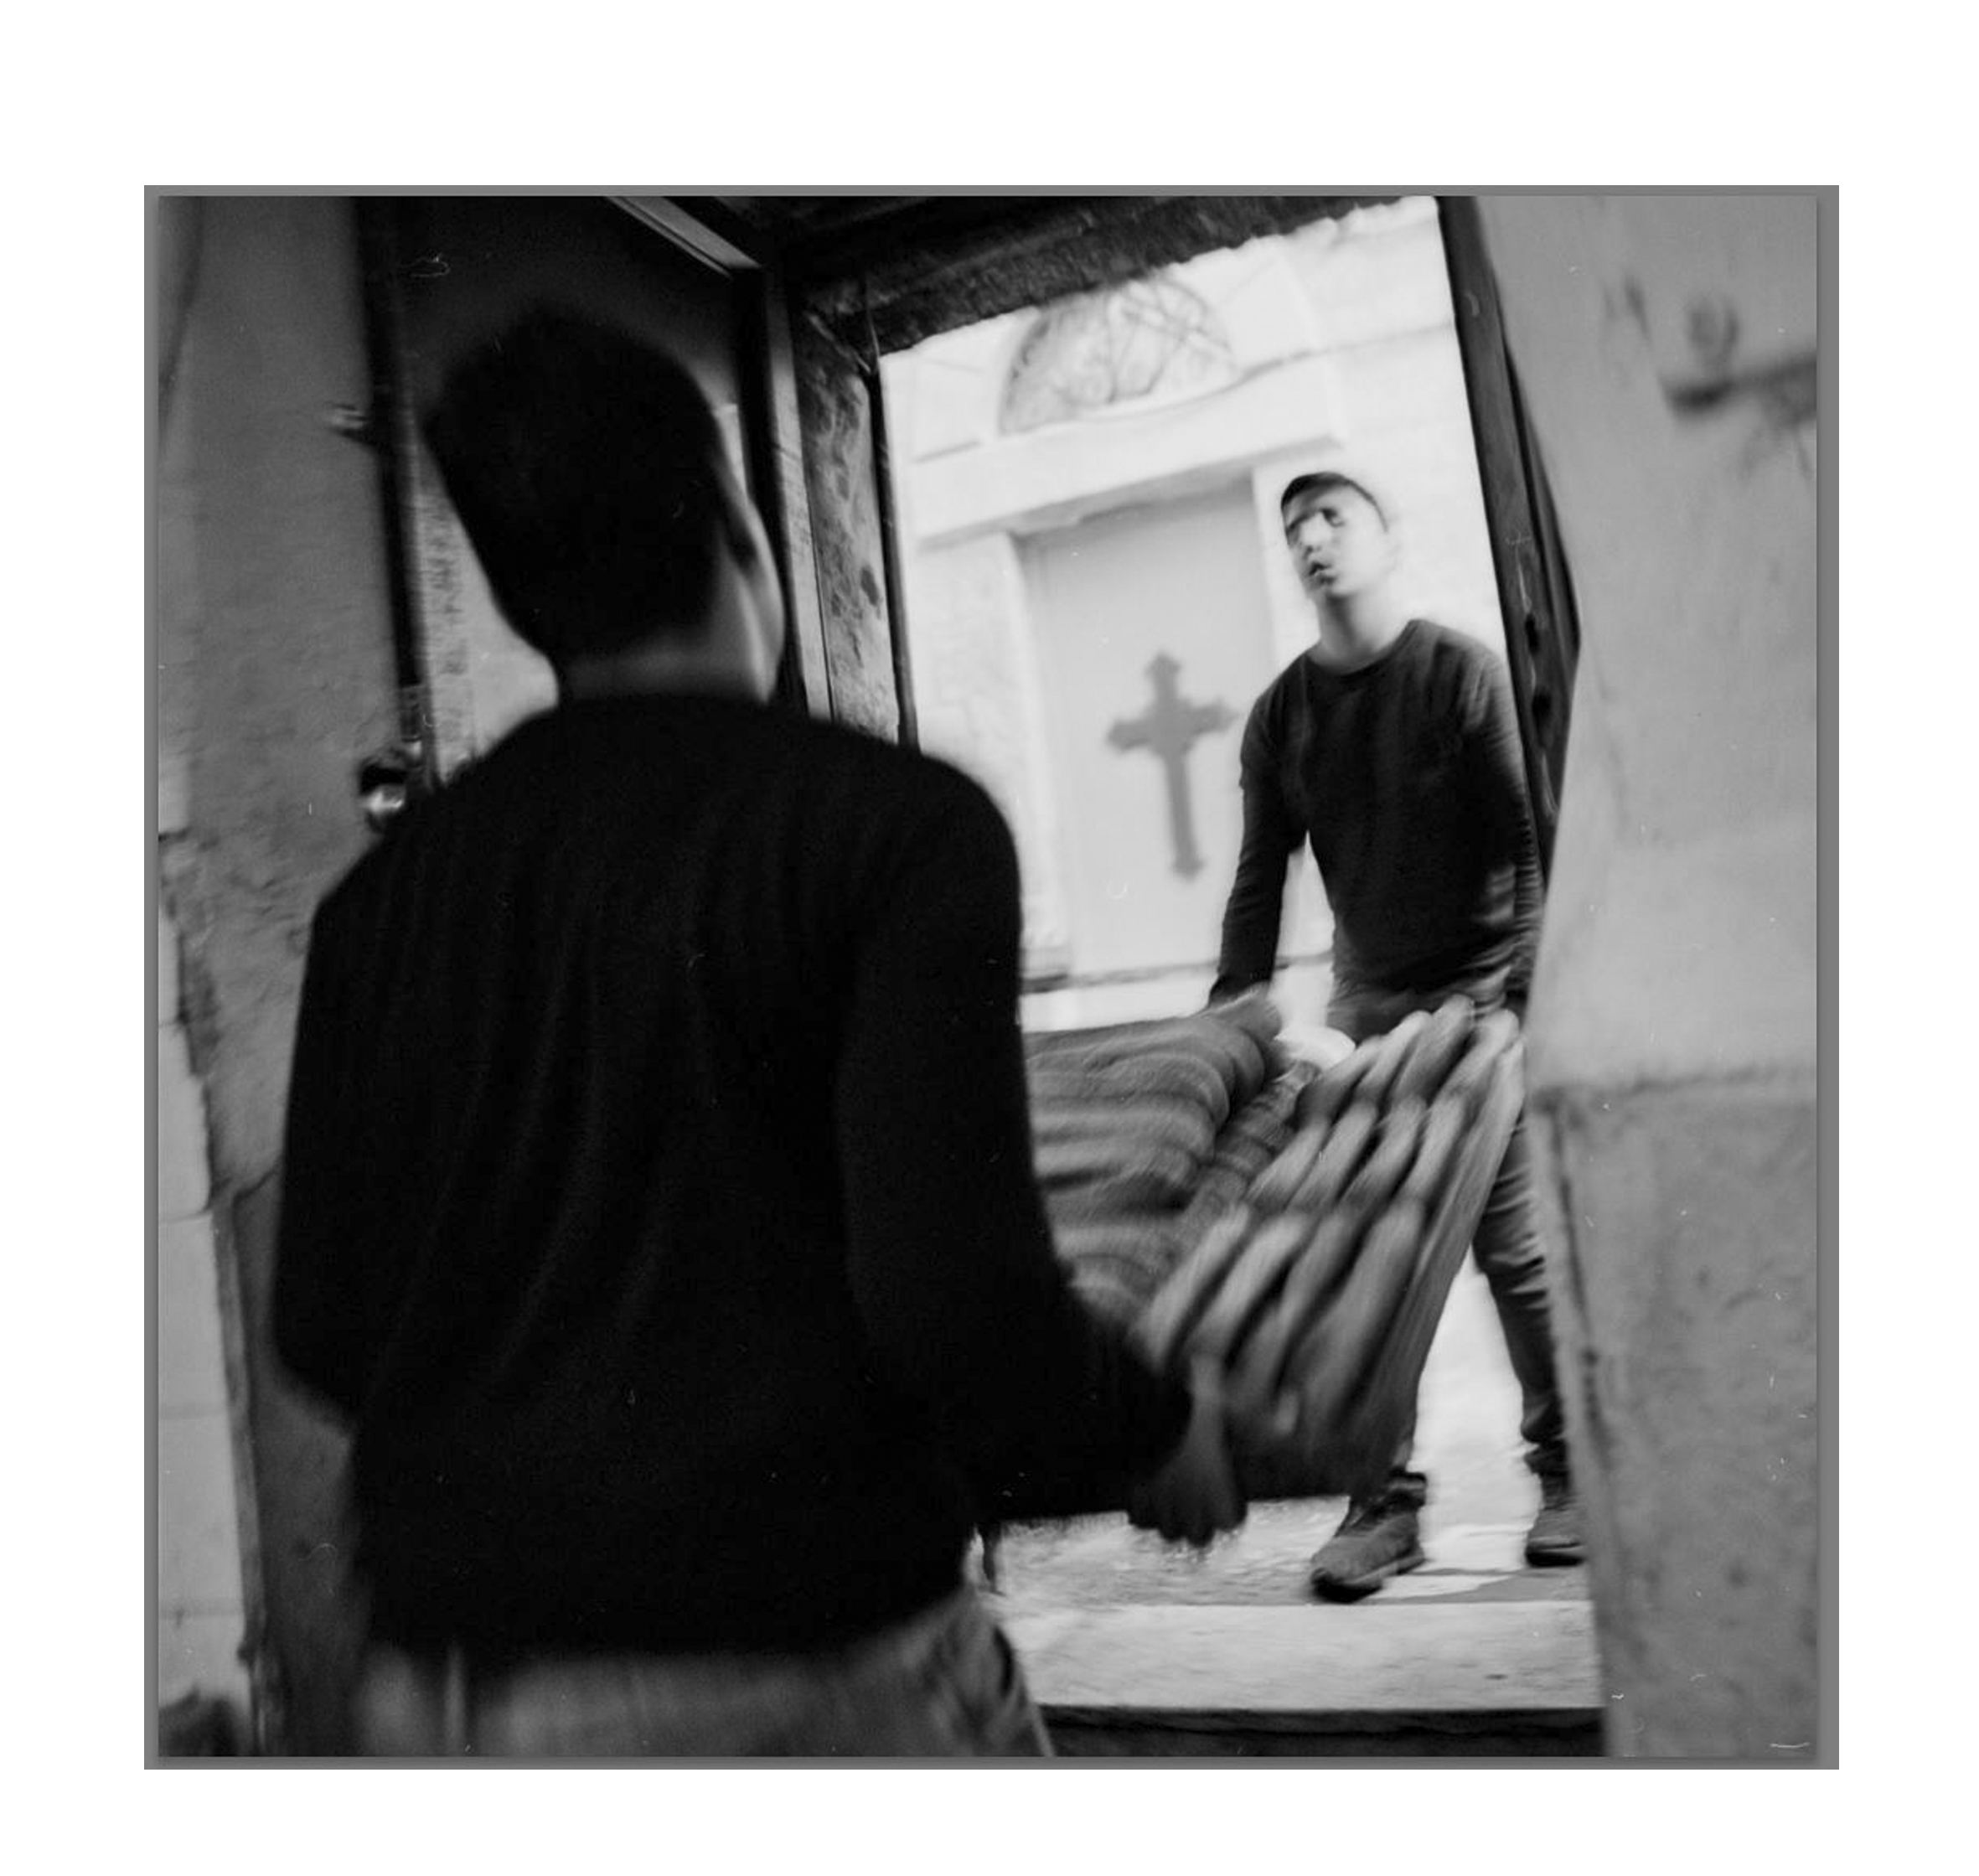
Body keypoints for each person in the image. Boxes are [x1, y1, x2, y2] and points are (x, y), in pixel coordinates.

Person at [272, 306, 1243, 1759]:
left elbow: (319, 1326)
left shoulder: (377, 905)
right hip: (799, 1690)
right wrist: (1153, 1431)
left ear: (525, 601)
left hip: (434, 1696)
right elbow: (954, 1304)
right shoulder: (890, 829)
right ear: (739, 523)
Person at [1210, 467, 1582, 1602]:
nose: (1313, 539)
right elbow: (1259, 879)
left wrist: (1514, 1004)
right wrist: (1232, 1019)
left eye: (1335, 518)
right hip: (1366, 1010)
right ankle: (1381, 1505)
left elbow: (1528, 849)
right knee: (1366, 1258)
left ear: (1387, 538)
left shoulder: (1459, 672)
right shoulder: (1282, 715)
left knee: (1514, 1252)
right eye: (1295, 528)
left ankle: (1567, 1473)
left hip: (1481, 995)